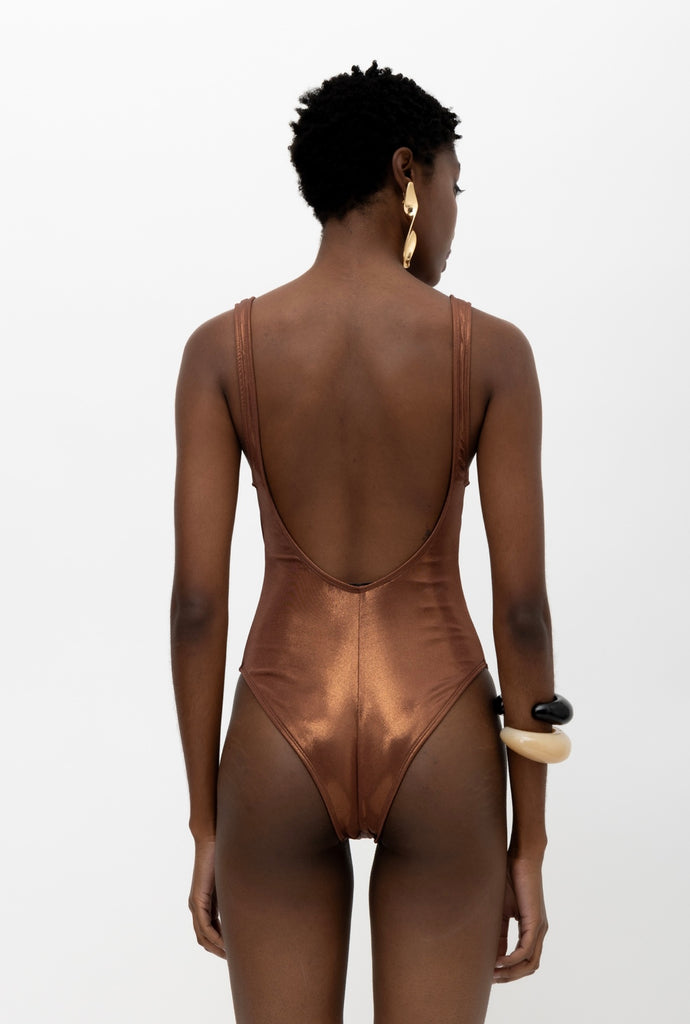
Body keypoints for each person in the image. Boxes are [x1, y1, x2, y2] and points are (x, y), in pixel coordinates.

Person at [171, 62, 566, 1024]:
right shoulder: (493, 352)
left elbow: (196, 608)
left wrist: (206, 825)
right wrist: (530, 844)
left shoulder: (222, 351)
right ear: (406, 175)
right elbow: (522, 612)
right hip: (440, 729)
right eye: (453, 183)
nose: (455, 214)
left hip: (277, 728)